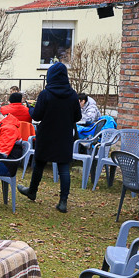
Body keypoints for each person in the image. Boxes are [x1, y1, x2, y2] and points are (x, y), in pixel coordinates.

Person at [18, 61, 82, 213]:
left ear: (50, 76)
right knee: (63, 168)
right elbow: (78, 117)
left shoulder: (45, 94)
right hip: (64, 135)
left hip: (46, 134)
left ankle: (32, 191)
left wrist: (31, 108)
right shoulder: (72, 95)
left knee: (39, 164)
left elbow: (37, 115)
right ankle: (63, 202)